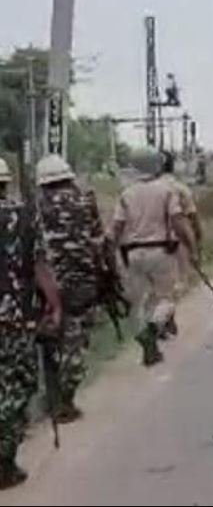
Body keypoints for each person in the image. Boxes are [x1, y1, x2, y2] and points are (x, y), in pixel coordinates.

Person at [33, 155, 109, 423]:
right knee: (75, 341)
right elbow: (99, 243)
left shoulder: (36, 206)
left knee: (48, 340)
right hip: (82, 283)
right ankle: (65, 401)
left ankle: (49, 398)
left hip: (46, 285)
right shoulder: (85, 201)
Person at [0, 183, 62, 488]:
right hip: (13, 321)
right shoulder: (22, 216)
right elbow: (40, 266)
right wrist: (53, 303)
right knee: (18, 388)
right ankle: (4, 462)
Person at [109, 150, 193, 366]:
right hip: (161, 251)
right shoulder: (166, 191)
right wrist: (189, 242)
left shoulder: (126, 194)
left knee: (142, 301)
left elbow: (117, 227)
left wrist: (110, 251)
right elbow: (177, 221)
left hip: (132, 253)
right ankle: (154, 328)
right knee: (167, 298)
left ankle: (151, 349)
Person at [160, 152, 202, 336]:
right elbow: (192, 217)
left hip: (148, 242)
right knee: (180, 282)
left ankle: (166, 317)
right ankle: (159, 318)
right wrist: (196, 240)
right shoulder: (179, 188)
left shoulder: (141, 188)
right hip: (176, 241)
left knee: (159, 285)